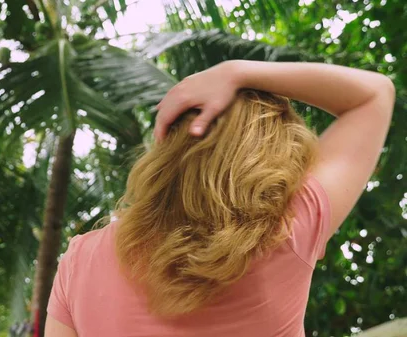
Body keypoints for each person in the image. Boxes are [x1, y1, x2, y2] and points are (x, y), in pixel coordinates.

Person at [45, 60, 395, 337]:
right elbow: (374, 93)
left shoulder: (79, 262)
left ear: (168, 147)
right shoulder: (286, 234)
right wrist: (237, 71)